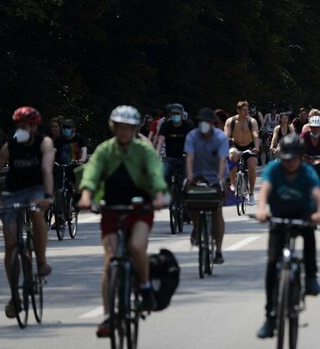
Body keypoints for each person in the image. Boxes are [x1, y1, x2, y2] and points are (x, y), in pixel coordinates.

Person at [77, 105, 167, 337]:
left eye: (128, 127)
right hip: (111, 209)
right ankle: (108, 316)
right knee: (110, 259)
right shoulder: (105, 150)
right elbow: (92, 172)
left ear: (135, 128)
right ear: (113, 128)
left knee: (137, 246)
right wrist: (87, 196)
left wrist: (158, 195)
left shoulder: (143, 150)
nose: (124, 131)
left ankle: (145, 288)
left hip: (140, 208)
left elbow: (155, 172)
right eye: (119, 127)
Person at [255, 134, 320, 339]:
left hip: (303, 214)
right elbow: (265, 190)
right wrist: (261, 210)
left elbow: (317, 194)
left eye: (293, 158)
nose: (289, 163)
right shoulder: (274, 169)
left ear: (301, 157)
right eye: (286, 158)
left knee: (310, 234)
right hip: (278, 215)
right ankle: (270, 317)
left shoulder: (307, 171)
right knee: (271, 263)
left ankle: (311, 278)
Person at [0, 107, 55, 319]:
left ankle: (42, 261)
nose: (20, 130)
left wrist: (48, 195)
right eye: (18, 127)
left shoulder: (44, 143)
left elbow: (46, 169)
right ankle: (14, 295)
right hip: (13, 191)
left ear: (34, 127)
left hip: (36, 188)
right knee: (10, 245)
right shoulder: (10, 146)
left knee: (36, 212)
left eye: (24, 126)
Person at [185, 108, 229, 264]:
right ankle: (197, 227)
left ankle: (218, 250)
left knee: (217, 211)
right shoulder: (192, 136)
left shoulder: (221, 138)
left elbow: (223, 159)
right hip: (196, 175)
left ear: (213, 124)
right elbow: (189, 157)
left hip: (216, 175)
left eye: (207, 122)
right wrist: (190, 175)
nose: (204, 125)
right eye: (201, 122)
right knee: (190, 201)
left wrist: (219, 178)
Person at [224, 101, 261, 205]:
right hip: (236, 145)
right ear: (238, 111)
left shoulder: (252, 121)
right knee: (232, 155)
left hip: (249, 145)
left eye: (247, 110)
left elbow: (255, 135)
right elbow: (225, 135)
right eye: (244, 110)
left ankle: (252, 194)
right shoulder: (230, 121)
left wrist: (257, 147)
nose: (246, 112)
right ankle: (233, 183)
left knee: (252, 165)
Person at [155, 103, 193, 186]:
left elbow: (192, 142)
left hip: (184, 157)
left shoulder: (188, 126)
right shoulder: (165, 125)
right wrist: (156, 155)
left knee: (188, 177)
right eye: (174, 114)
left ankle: (185, 194)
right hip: (169, 157)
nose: (176, 116)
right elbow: (160, 140)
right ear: (170, 115)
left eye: (178, 113)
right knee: (163, 175)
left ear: (182, 115)